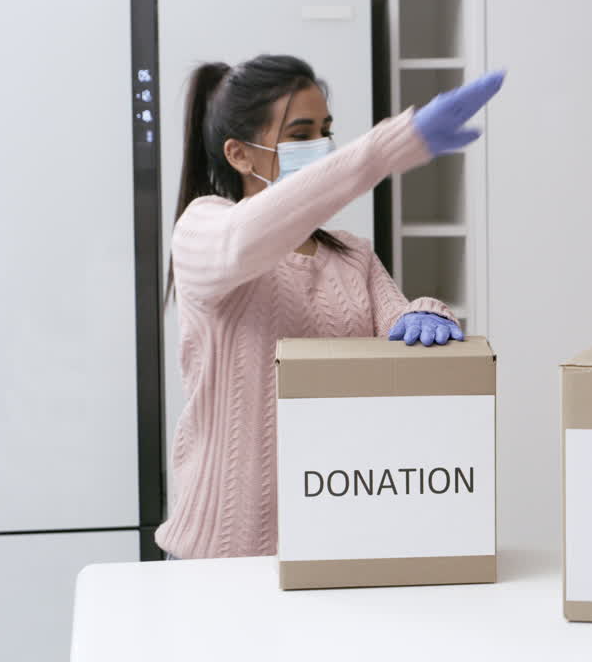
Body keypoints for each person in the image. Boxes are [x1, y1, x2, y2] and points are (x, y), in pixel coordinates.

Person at [155, 54, 504, 559]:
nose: (322, 148)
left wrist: (427, 313)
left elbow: (401, 329)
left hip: (336, 541)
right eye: (300, 134)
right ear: (239, 154)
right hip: (221, 553)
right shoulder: (203, 230)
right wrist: (388, 148)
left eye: (325, 131)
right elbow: (245, 237)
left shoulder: (353, 256)